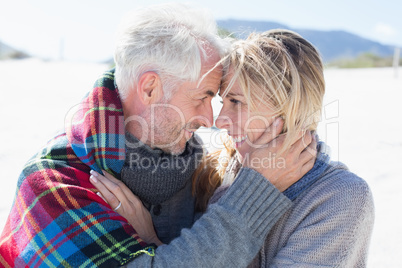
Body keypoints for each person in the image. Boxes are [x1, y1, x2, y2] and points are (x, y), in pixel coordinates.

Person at [0, 4, 316, 267]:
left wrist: (153, 241)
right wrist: (255, 192)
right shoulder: (54, 181)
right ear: (150, 88)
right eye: (202, 97)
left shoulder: (197, 170)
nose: (210, 119)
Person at [93, 29, 374, 267]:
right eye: (222, 101)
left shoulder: (338, 197)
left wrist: (153, 242)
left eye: (237, 102)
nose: (220, 120)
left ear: (289, 107)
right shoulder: (220, 170)